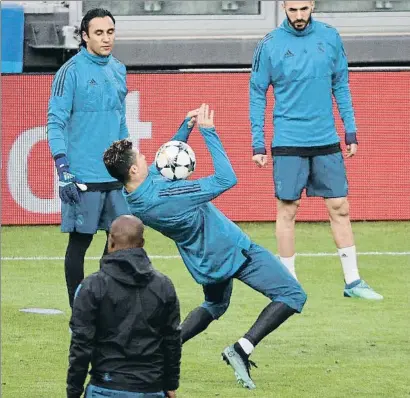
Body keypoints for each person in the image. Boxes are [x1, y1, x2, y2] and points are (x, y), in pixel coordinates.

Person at [103, 104, 307, 390]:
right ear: (135, 168)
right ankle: (242, 348)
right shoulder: (167, 193)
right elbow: (226, 179)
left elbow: (168, 163)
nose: (147, 155)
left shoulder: (135, 194)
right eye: (140, 156)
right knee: (293, 294)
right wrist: (209, 133)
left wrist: (186, 128)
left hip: (203, 262)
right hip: (232, 250)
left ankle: (163, 350)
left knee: (214, 304)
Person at [249, 1, 383, 300]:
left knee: (340, 207)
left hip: (325, 138)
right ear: (284, 6)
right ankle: (289, 284)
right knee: (288, 210)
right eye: (293, 9)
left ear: (313, 5)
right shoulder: (269, 45)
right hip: (288, 140)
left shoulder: (330, 37)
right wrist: (258, 141)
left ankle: (353, 282)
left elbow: (342, 84)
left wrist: (350, 129)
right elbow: (257, 93)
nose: (299, 16)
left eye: (304, 9)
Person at [47, 8, 131, 309]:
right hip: (83, 175)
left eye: (110, 32)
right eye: (99, 33)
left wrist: (127, 159)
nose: (106, 38)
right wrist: (63, 169)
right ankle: (78, 311)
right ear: (84, 36)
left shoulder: (118, 69)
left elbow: (121, 119)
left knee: (120, 242)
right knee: (79, 243)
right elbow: (55, 122)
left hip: (114, 175)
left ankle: (103, 301)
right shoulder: (69, 72)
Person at [67, 215, 181, 398]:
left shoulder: (91, 286)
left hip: (105, 386)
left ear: (110, 242)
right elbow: (172, 340)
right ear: (142, 243)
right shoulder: (164, 285)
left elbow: (81, 344)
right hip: (150, 388)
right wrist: (171, 383)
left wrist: (73, 392)